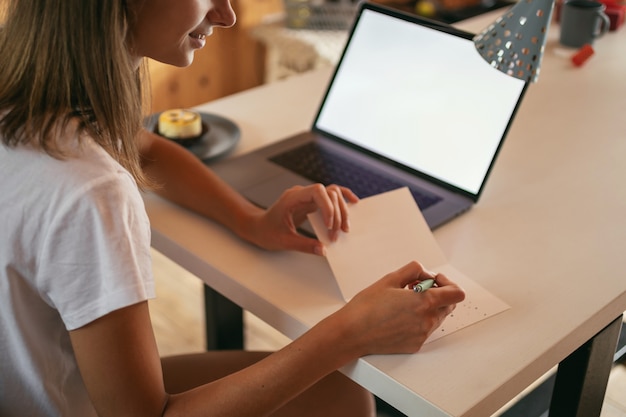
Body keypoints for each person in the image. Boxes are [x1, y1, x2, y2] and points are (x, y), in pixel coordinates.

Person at [0, 1, 466, 416]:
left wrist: (249, 220)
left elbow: (140, 144)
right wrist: (349, 333)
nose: (228, 14)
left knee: (341, 396)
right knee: (344, 395)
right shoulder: (90, 192)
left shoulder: (29, 91)